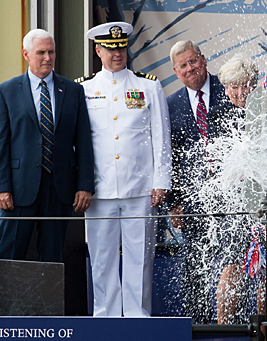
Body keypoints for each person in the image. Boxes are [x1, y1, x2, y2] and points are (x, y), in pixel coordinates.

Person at [80, 22, 171, 317]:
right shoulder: (84, 89)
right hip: (100, 190)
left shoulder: (148, 86)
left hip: (140, 188)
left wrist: (161, 181)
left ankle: (137, 319)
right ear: (98, 50)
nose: (116, 53)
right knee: (102, 258)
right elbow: (78, 144)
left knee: (139, 259)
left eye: (120, 47)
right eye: (110, 48)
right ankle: (104, 317)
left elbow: (161, 135)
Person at [0, 29, 93, 263]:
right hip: (17, 190)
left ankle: (48, 302)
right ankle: (5, 301)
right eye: (41, 53)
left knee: (52, 260)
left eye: (51, 52)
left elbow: (84, 141)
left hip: (59, 189)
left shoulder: (73, 91)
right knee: (9, 255)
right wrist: (0, 187)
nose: (48, 58)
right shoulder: (6, 91)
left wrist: (85, 185)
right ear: (26, 54)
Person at [166, 40, 229, 323]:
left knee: (232, 264)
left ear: (204, 60)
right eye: (184, 65)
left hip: (231, 199)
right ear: (176, 72)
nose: (190, 68)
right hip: (193, 201)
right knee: (194, 264)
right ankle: (197, 326)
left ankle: (233, 326)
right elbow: (172, 157)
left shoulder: (228, 88)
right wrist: (174, 203)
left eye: (193, 61)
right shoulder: (171, 105)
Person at [206, 54, 260, 324]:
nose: (241, 92)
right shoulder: (217, 117)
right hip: (234, 205)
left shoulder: (266, 111)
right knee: (233, 266)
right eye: (234, 86)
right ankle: (223, 329)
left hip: (265, 203)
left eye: (246, 84)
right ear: (225, 88)